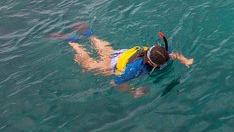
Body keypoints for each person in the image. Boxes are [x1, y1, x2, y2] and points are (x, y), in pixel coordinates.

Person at [55, 22, 194, 96]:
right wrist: (134, 91)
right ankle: (73, 43)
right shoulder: (134, 70)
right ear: (151, 63)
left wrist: (185, 60)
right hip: (116, 65)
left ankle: (90, 35)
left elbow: (173, 54)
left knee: (106, 51)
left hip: (123, 54)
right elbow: (116, 82)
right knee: (88, 65)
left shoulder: (159, 51)